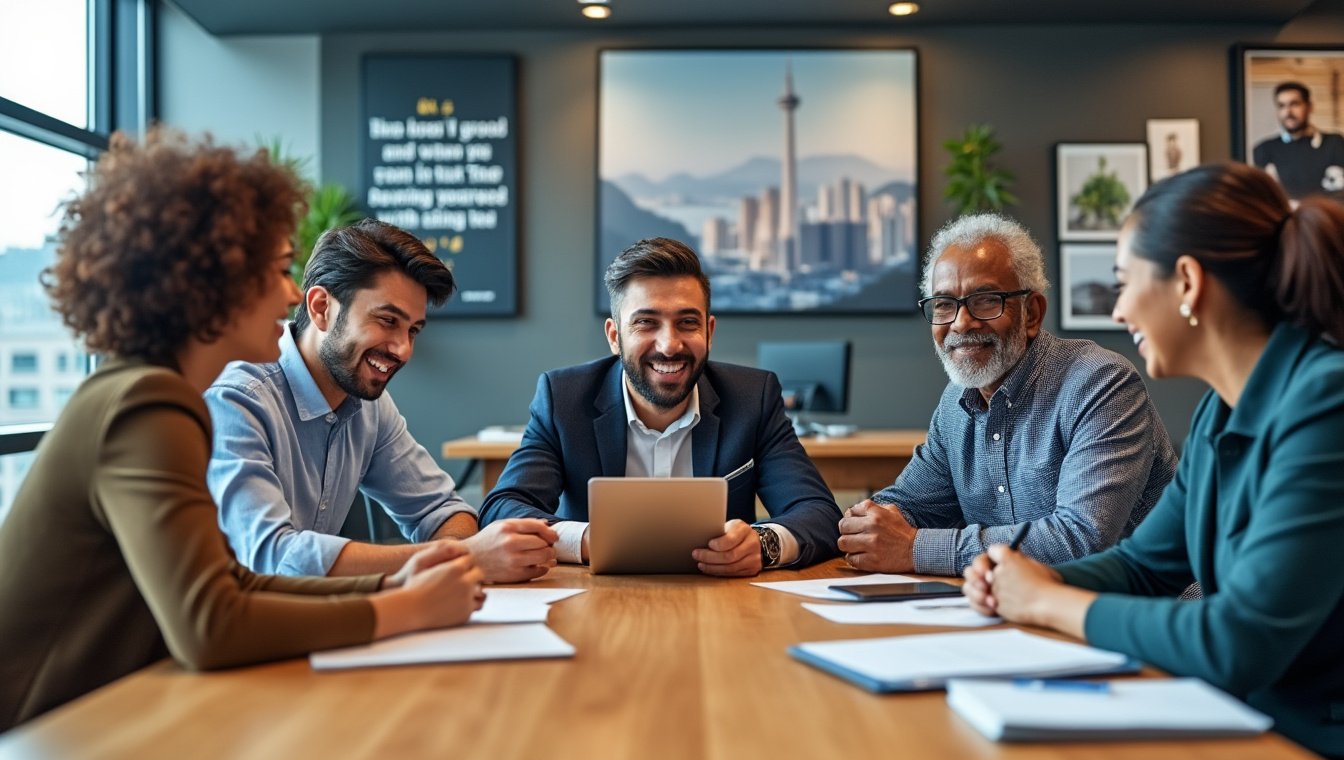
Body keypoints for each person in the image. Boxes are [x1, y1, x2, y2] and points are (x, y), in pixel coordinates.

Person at [0, 129, 485, 733]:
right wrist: (400, 607)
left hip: (104, 714)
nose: (288, 293)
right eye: (279, 269)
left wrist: (395, 581)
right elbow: (210, 624)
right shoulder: (147, 405)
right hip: (45, 731)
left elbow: (233, 583)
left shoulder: (145, 392)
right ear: (214, 282)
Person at [963, 162, 1344, 760]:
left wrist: (1045, 601)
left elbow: (1237, 641)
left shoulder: (1327, 403)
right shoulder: (1224, 411)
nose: (1118, 311)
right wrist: (1023, 576)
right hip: (1247, 723)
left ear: (1187, 282)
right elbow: (1146, 566)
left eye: (1124, 281)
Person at [206, 220, 556, 584]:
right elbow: (272, 557)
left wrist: (454, 556)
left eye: (413, 330)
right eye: (388, 320)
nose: (403, 349)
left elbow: (442, 510)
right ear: (321, 307)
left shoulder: (369, 407)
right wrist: (464, 556)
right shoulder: (238, 400)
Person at [477, 237, 842, 576]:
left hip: (722, 607)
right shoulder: (564, 398)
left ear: (709, 332)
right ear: (614, 337)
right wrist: (591, 541)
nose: (669, 345)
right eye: (646, 323)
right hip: (591, 600)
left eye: (687, 323)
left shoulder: (753, 398)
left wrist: (764, 545)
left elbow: (820, 515)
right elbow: (502, 508)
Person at [838, 214, 1176, 576]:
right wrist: (871, 524)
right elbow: (910, 504)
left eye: (985, 300)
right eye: (944, 304)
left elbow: (1082, 539)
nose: (960, 323)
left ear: (1032, 313)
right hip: (1022, 613)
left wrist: (914, 548)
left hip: (1154, 613)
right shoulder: (956, 404)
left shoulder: (1101, 384)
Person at [1252, 81, 1344, 201]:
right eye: (1281, 106)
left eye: (1294, 104)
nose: (1288, 112)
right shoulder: (1264, 149)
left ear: (1309, 107)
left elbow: (1340, 192)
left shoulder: (1335, 143)